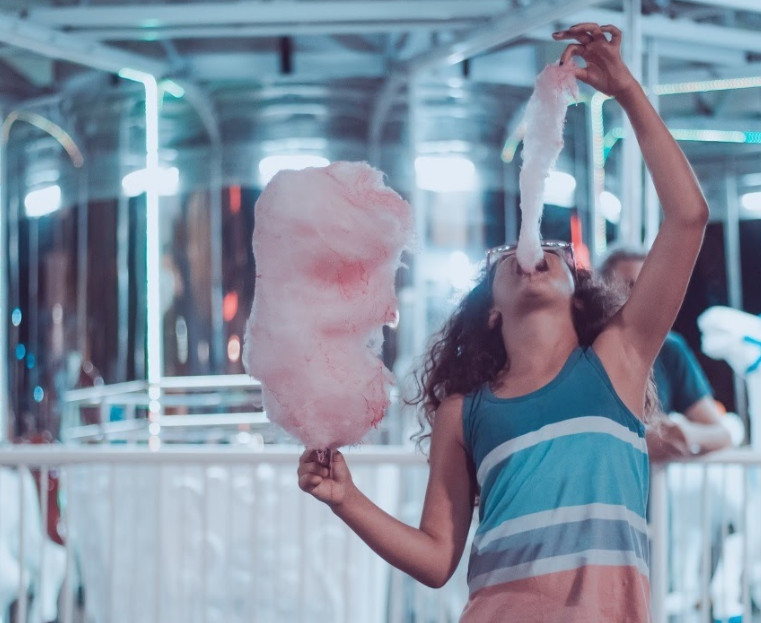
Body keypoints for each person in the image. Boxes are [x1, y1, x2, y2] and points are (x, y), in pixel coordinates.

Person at [298, 23, 709, 622]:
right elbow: (438, 558)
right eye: (503, 261)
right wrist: (347, 499)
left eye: (558, 254)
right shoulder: (464, 410)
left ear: (578, 291)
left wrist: (626, 93)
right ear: (490, 310)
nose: (531, 251)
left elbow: (688, 217)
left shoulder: (619, 362)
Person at [599, 247, 733, 461]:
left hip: (653, 491)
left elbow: (722, 435)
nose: (640, 298)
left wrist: (683, 432)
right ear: (601, 293)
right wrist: (638, 440)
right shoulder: (584, 351)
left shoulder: (669, 349)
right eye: (628, 287)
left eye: (648, 288)